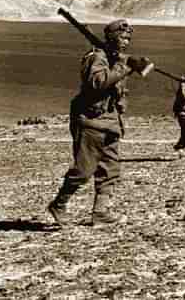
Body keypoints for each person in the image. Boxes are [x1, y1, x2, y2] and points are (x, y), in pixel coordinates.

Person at [46, 19, 151, 227]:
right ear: (111, 37)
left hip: (110, 123)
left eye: (128, 38)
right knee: (83, 170)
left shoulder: (116, 58)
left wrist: (132, 63)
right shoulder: (97, 57)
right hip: (91, 123)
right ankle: (59, 204)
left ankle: (101, 212)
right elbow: (98, 83)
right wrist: (126, 68)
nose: (125, 41)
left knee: (111, 170)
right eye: (122, 37)